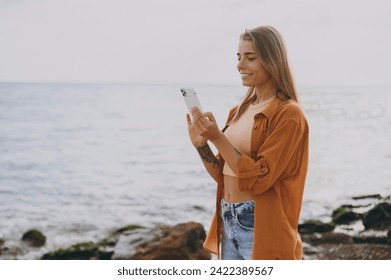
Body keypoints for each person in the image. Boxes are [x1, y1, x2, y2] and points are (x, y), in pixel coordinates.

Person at [186, 26, 309, 260]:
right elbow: (225, 176)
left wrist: (218, 138)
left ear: (271, 60)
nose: (240, 65)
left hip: (259, 224)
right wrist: (202, 145)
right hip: (227, 218)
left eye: (250, 58)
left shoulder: (289, 114)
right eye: (239, 57)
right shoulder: (238, 111)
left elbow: (260, 180)